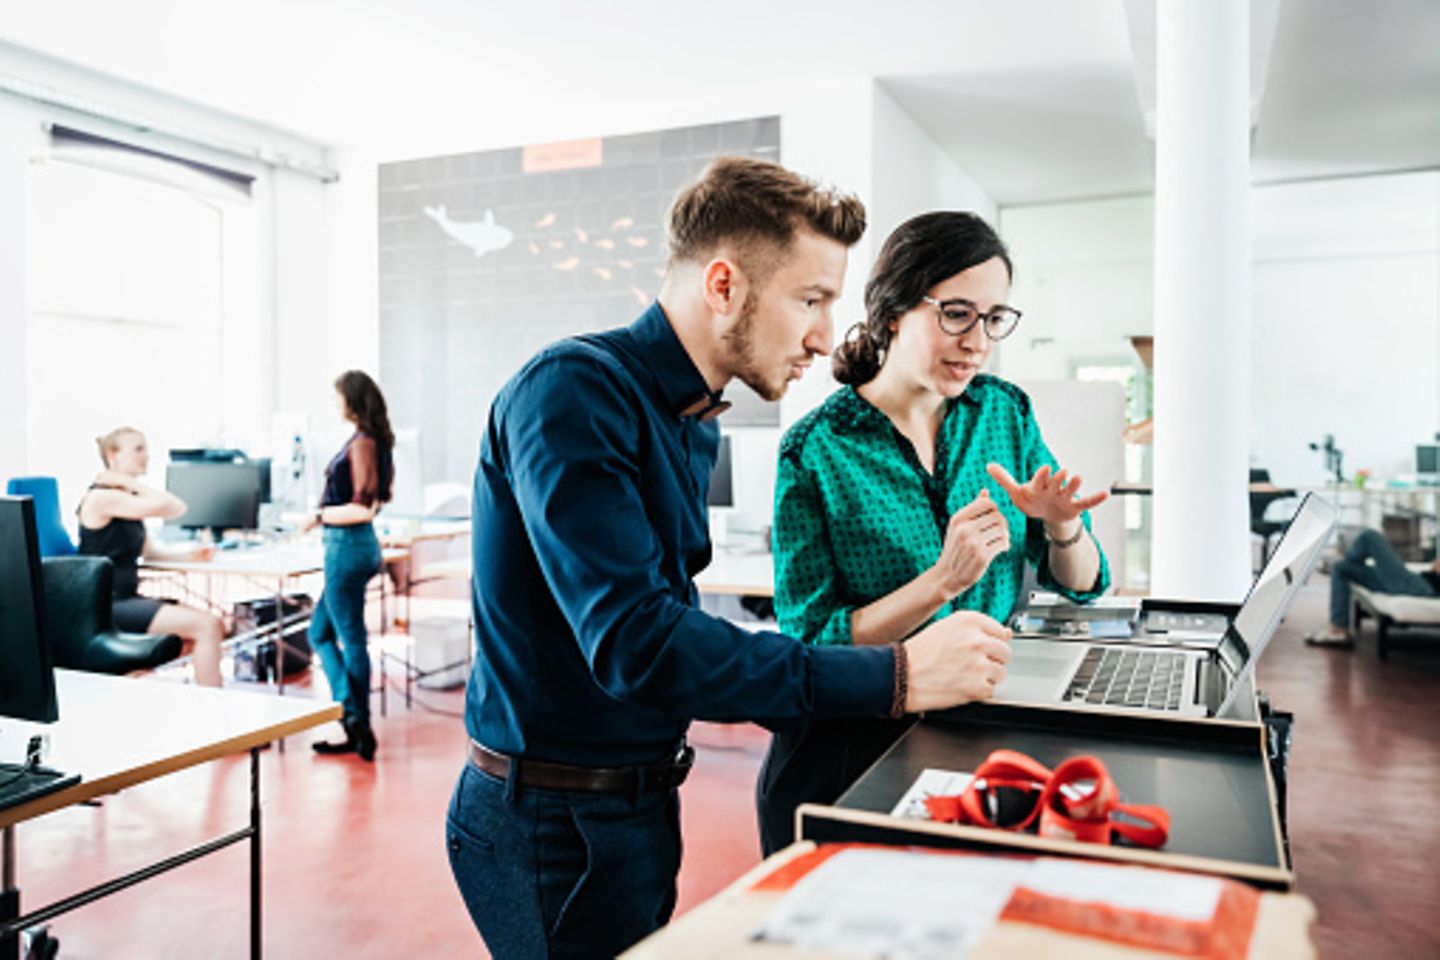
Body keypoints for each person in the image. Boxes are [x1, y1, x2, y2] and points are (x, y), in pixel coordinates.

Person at [446, 158, 1014, 959]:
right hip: (550, 824)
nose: (824, 335)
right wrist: (898, 676)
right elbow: (638, 643)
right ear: (723, 286)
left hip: (635, 806)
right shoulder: (571, 392)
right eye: (810, 300)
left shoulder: (693, 419)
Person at [757, 211, 1112, 854]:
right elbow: (812, 641)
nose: (978, 341)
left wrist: (1063, 528)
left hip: (981, 734)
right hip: (852, 752)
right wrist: (943, 581)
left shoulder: (1003, 411)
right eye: (956, 313)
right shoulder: (815, 450)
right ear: (893, 311)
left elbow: (1083, 585)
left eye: (994, 317)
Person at [78, 427, 227, 687]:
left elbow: (150, 552)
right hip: (105, 604)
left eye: (145, 448)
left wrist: (188, 556)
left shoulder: (125, 499)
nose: (146, 456)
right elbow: (176, 507)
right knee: (208, 626)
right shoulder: (101, 497)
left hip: (126, 599)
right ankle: (215, 713)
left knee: (194, 638)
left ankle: (129, 681)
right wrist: (127, 481)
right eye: (137, 449)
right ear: (113, 456)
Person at [304, 370, 394, 762]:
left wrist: (319, 515)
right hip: (356, 548)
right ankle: (353, 719)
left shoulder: (362, 444)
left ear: (352, 400)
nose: (334, 403)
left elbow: (361, 508)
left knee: (351, 639)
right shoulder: (370, 442)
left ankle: (356, 719)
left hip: (347, 547)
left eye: (337, 396)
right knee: (320, 632)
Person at [1306, 527, 1439, 647]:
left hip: (1419, 587)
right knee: (1341, 568)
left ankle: (1346, 559)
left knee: (1370, 537)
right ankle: (1339, 630)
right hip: (1417, 581)